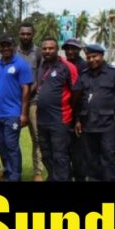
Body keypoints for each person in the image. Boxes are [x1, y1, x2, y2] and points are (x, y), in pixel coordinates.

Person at [73, 44, 115, 181]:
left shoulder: (114, 74)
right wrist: (77, 120)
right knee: (91, 160)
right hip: (88, 125)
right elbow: (79, 101)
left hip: (108, 125)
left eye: (94, 56)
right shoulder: (83, 76)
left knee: (109, 159)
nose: (91, 60)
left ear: (102, 56)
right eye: (88, 57)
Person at [0, 35, 32, 181]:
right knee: (0, 145)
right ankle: (8, 170)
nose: (5, 48)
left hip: (12, 113)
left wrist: (24, 113)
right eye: (2, 46)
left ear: (13, 47)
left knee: (11, 145)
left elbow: (26, 90)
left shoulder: (21, 64)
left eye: (8, 45)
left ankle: (15, 176)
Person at [34, 38, 78, 182]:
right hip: (42, 119)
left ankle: (62, 178)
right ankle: (54, 177)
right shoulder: (42, 66)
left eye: (51, 48)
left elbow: (76, 92)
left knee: (60, 155)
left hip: (60, 119)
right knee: (46, 154)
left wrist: (73, 113)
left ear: (57, 49)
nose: (47, 51)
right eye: (44, 48)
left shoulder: (67, 66)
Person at [16, 21, 44, 181]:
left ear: (32, 35)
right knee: (12, 138)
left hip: (33, 101)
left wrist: (27, 93)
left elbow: (40, 77)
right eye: (22, 34)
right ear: (19, 35)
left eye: (28, 34)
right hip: (15, 102)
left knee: (37, 138)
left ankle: (38, 172)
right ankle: (13, 169)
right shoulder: (13, 52)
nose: (25, 36)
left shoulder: (39, 52)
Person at [62, 38, 88, 181]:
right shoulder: (61, 65)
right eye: (68, 48)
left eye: (74, 48)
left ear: (79, 50)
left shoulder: (84, 66)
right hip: (64, 113)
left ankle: (80, 176)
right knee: (64, 150)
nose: (70, 51)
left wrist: (79, 117)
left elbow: (83, 93)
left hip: (78, 113)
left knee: (78, 151)